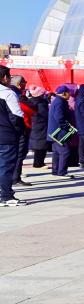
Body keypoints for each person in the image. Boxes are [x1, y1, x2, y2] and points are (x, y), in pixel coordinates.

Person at [0, 66, 28, 207]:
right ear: (5, 78)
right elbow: (16, 116)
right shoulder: (7, 93)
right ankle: (6, 196)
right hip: (6, 135)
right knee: (6, 166)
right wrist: (20, 132)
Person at [10, 75, 34, 187]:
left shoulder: (12, 93)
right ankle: (15, 178)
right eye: (24, 82)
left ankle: (14, 177)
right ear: (19, 84)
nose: (25, 84)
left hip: (15, 127)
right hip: (22, 127)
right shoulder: (18, 95)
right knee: (20, 153)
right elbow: (31, 109)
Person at [47, 85, 76, 177]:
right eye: (69, 93)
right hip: (59, 132)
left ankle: (55, 170)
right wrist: (68, 127)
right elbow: (59, 117)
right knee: (65, 151)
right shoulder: (60, 102)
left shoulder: (57, 101)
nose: (70, 95)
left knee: (56, 152)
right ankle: (62, 171)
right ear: (64, 93)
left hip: (54, 131)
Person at [27, 87, 49, 168]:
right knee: (41, 146)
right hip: (41, 126)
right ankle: (39, 163)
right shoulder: (41, 103)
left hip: (35, 125)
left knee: (38, 145)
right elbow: (45, 115)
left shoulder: (31, 101)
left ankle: (38, 163)